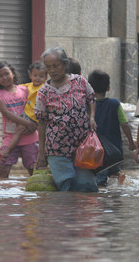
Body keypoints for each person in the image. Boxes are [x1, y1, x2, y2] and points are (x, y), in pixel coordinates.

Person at [34, 47, 98, 192]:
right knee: (65, 185)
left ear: (64, 64)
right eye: (48, 67)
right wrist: (41, 153)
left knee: (86, 185)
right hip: (56, 148)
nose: (52, 70)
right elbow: (41, 122)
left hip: (82, 145)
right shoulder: (43, 92)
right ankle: (66, 214)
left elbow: (91, 98)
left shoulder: (79, 82)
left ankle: (83, 214)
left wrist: (92, 117)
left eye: (56, 66)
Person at [87, 69, 135, 186]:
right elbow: (125, 124)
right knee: (113, 176)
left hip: (95, 152)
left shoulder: (88, 106)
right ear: (108, 88)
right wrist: (131, 142)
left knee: (99, 180)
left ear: (89, 88)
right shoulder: (115, 104)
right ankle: (118, 177)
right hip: (114, 152)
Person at [0, 61, 38, 178]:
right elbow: (7, 114)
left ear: (13, 74)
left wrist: (34, 125)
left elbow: (35, 107)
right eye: (0, 76)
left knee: (33, 169)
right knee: (4, 169)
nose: (4, 78)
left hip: (30, 135)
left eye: (6, 73)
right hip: (11, 137)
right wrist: (27, 123)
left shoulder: (25, 89)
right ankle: (3, 195)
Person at [0, 61, 47, 159]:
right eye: (35, 75)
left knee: (19, 131)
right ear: (30, 75)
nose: (37, 78)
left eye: (41, 76)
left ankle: (7, 150)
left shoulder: (45, 88)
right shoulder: (27, 86)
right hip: (27, 115)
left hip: (35, 116)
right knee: (20, 130)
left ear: (46, 78)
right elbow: (16, 89)